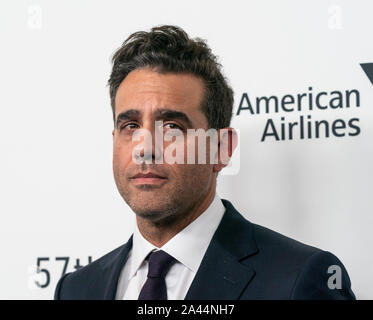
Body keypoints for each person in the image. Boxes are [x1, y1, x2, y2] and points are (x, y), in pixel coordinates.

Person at [54, 25, 355, 300]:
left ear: (221, 148)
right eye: (130, 126)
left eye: (171, 127)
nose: (144, 148)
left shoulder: (301, 279)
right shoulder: (76, 289)